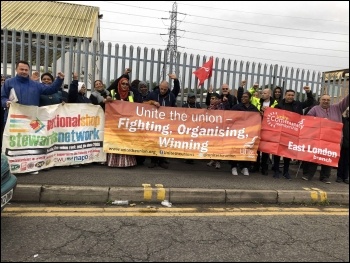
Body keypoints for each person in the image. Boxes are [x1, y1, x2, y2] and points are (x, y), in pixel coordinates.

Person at [1, 60, 64, 174]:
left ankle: (30, 166)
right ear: (16, 69)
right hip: (14, 119)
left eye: (26, 70)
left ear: (29, 70)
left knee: (30, 142)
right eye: (21, 69)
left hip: (32, 119)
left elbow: (51, 89)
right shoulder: (9, 82)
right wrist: (6, 103)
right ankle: (11, 166)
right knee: (14, 142)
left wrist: (59, 80)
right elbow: (2, 97)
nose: (24, 72)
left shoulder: (35, 85)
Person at [302, 93, 349, 184]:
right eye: (324, 99)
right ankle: (309, 175)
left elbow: (346, 101)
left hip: (333, 139)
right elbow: (308, 120)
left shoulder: (337, 108)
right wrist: (321, 122)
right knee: (314, 156)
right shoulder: (314, 109)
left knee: (329, 157)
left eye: (328, 100)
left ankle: (325, 177)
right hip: (318, 138)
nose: (326, 101)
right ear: (320, 100)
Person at [273, 86, 314, 180]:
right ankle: (276, 170)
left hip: (292, 133)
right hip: (280, 132)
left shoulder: (298, 104)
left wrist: (308, 92)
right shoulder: (278, 105)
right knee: (277, 152)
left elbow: (310, 102)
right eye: (289, 95)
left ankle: (286, 172)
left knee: (288, 152)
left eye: (292, 95)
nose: (290, 97)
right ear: (285, 95)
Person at [144, 78, 178, 169]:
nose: (162, 91)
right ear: (159, 87)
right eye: (161, 89)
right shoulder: (152, 94)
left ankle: (162, 160)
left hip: (166, 123)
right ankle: (153, 160)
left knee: (164, 141)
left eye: (165, 89)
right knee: (154, 141)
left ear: (168, 89)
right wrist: (152, 102)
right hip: (154, 123)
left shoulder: (172, 96)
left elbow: (174, 108)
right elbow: (143, 104)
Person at [107, 77, 137, 168]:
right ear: (119, 84)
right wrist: (125, 74)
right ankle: (114, 162)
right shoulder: (112, 92)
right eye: (123, 83)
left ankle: (127, 162)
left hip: (127, 122)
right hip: (115, 122)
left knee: (126, 141)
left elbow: (134, 106)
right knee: (115, 141)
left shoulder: (131, 94)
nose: (124, 86)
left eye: (127, 84)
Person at [230, 92, 260, 176]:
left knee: (246, 149)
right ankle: (234, 166)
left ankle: (245, 167)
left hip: (248, 133)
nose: (243, 98)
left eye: (246, 97)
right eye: (242, 97)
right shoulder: (236, 107)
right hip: (238, 133)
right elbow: (230, 116)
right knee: (235, 149)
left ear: (249, 98)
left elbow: (258, 118)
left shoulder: (253, 108)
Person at [254, 88, 278, 175]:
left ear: (269, 94)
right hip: (258, 126)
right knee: (257, 148)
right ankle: (256, 166)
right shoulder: (258, 101)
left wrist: (267, 112)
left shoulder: (275, 103)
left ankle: (264, 167)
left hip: (268, 128)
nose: (263, 94)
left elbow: (277, 114)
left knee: (265, 148)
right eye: (262, 93)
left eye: (265, 93)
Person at [206, 92, 229, 169]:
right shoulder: (210, 107)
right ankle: (212, 159)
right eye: (211, 98)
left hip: (219, 129)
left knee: (218, 145)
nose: (211, 100)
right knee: (212, 145)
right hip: (211, 129)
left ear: (218, 99)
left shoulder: (221, 106)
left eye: (213, 98)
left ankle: (218, 161)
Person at [336, 108, 349, 184]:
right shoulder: (344, 120)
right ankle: (339, 176)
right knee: (341, 161)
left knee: (347, 162)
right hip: (343, 145)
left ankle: (346, 177)